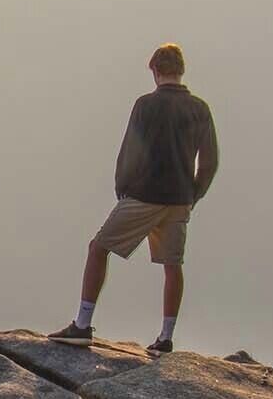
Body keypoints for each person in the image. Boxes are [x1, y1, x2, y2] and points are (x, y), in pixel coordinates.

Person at [48, 43, 219, 355]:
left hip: (145, 194)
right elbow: (209, 162)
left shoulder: (146, 105)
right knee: (172, 265)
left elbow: (131, 151)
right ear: (181, 70)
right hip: (179, 198)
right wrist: (193, 194)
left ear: (155, 70)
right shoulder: (200, 109)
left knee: (98, 248)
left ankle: (82, 325)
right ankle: (166, 337)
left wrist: (122, 186)